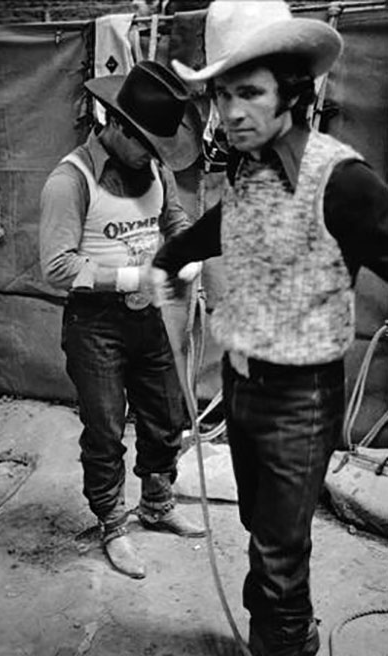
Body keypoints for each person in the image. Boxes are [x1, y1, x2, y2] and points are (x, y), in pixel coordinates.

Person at [150, 1, 388, 654]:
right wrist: (171, 256)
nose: (229, 113)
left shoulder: (345, 183)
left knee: (280, 562)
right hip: (244, 382)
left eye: (247, 93)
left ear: (294, 92)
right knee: (263, 531)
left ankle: (284, 642)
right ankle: (282, 633)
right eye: (223, 94)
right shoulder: (252, 167)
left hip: (300, 400)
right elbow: (227, 222)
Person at [39, 60, 206, 581]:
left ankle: (156, 503)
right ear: (115, 125)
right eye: (147, 144)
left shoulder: (153, 168)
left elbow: (173, 220)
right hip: (97, 326)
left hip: (151, 318)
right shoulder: (70, 181)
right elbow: (57, 267)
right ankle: (113, 522)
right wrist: (136, 277)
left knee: (165, 414)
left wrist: (187, 252)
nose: (156, 156)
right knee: (106, 427)